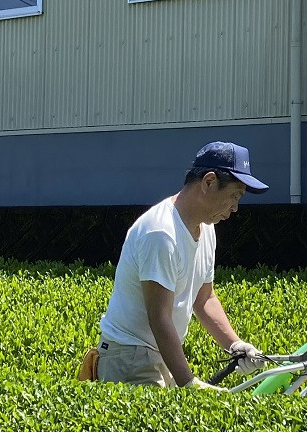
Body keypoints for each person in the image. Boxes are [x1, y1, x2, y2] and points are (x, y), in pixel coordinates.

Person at [94, 141, 268, 388]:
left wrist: (235, 345)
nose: (235, 207)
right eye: (234, 195)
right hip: (130, 357)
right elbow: (159, 316)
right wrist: (189, 383)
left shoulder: (207, 228)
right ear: (208, 182)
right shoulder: (161, 233)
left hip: (159, 353)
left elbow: (204, 297)